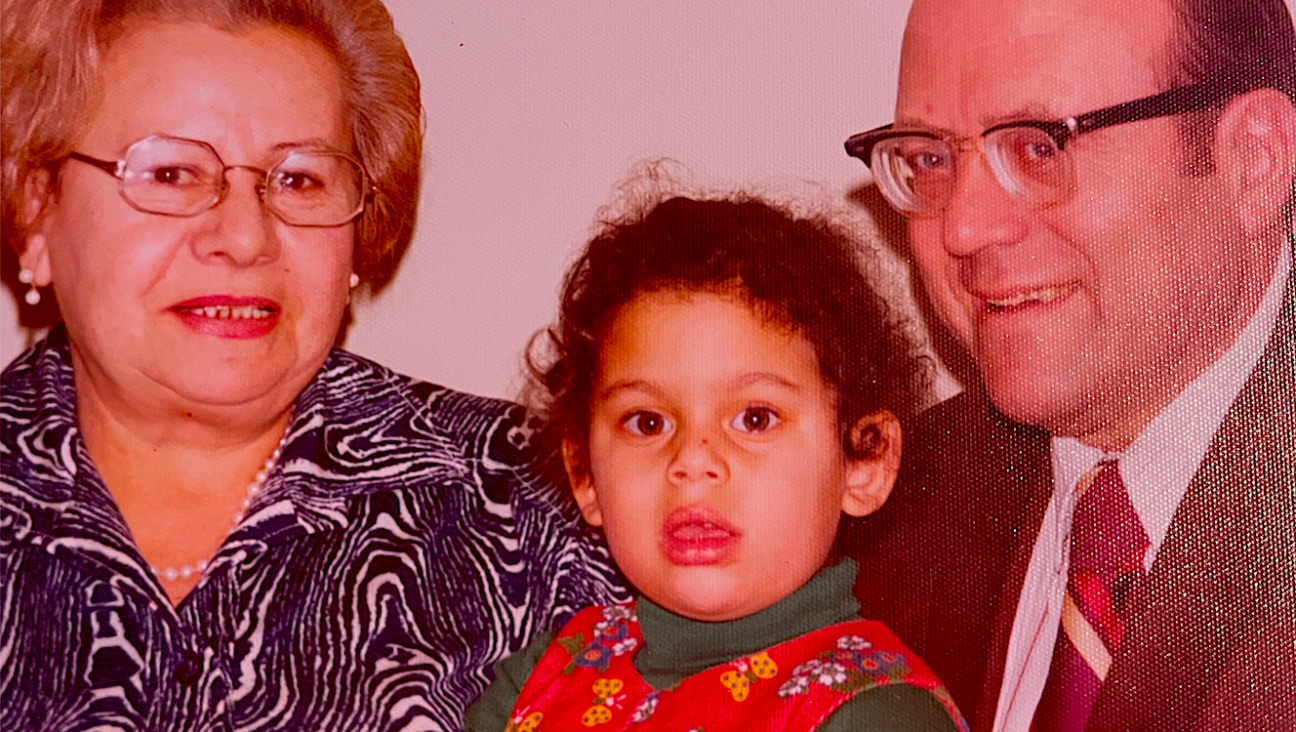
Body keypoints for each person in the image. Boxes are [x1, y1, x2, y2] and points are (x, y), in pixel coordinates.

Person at [0, 1, 623, 729]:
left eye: (298, 180)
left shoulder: (544, 505)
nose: (243, 237)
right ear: (37, 208)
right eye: (169, 172)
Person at [839, 0, 1296, 731]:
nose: (961, 226)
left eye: (1038, 148)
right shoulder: (881, 510)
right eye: (930, 157)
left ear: (1253, 161)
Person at [464, 194, 967, 731]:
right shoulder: (543, 680)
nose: (693, 461)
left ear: (864, 463)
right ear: (584, 472)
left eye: (755, 419)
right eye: (648, 423)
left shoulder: (875, 714)